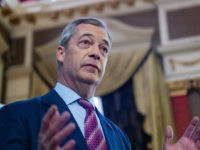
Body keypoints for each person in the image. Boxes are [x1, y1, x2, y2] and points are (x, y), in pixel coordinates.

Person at [0, 18, 199, 150]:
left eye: (104, 49)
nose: (96, 53)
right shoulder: (16, 115)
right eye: (86, 43)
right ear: (61, 53)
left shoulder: (119, 137)